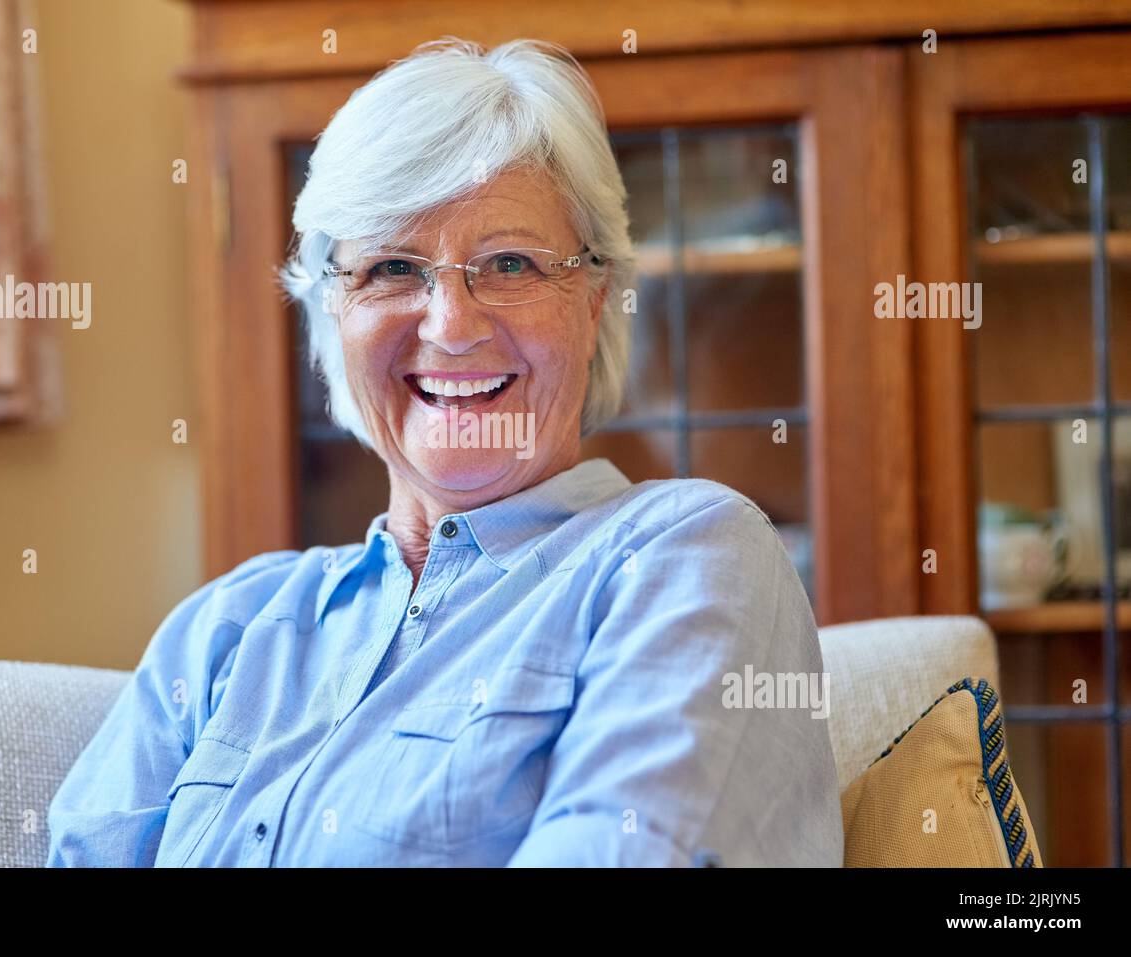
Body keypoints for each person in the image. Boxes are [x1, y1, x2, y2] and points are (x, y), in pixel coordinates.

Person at [46, 37, 843, 867]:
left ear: (595, 301)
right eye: (393, 266)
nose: (451, 325)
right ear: (333, 318)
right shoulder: (225, 629)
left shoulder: (684, 554)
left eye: (509, 263)